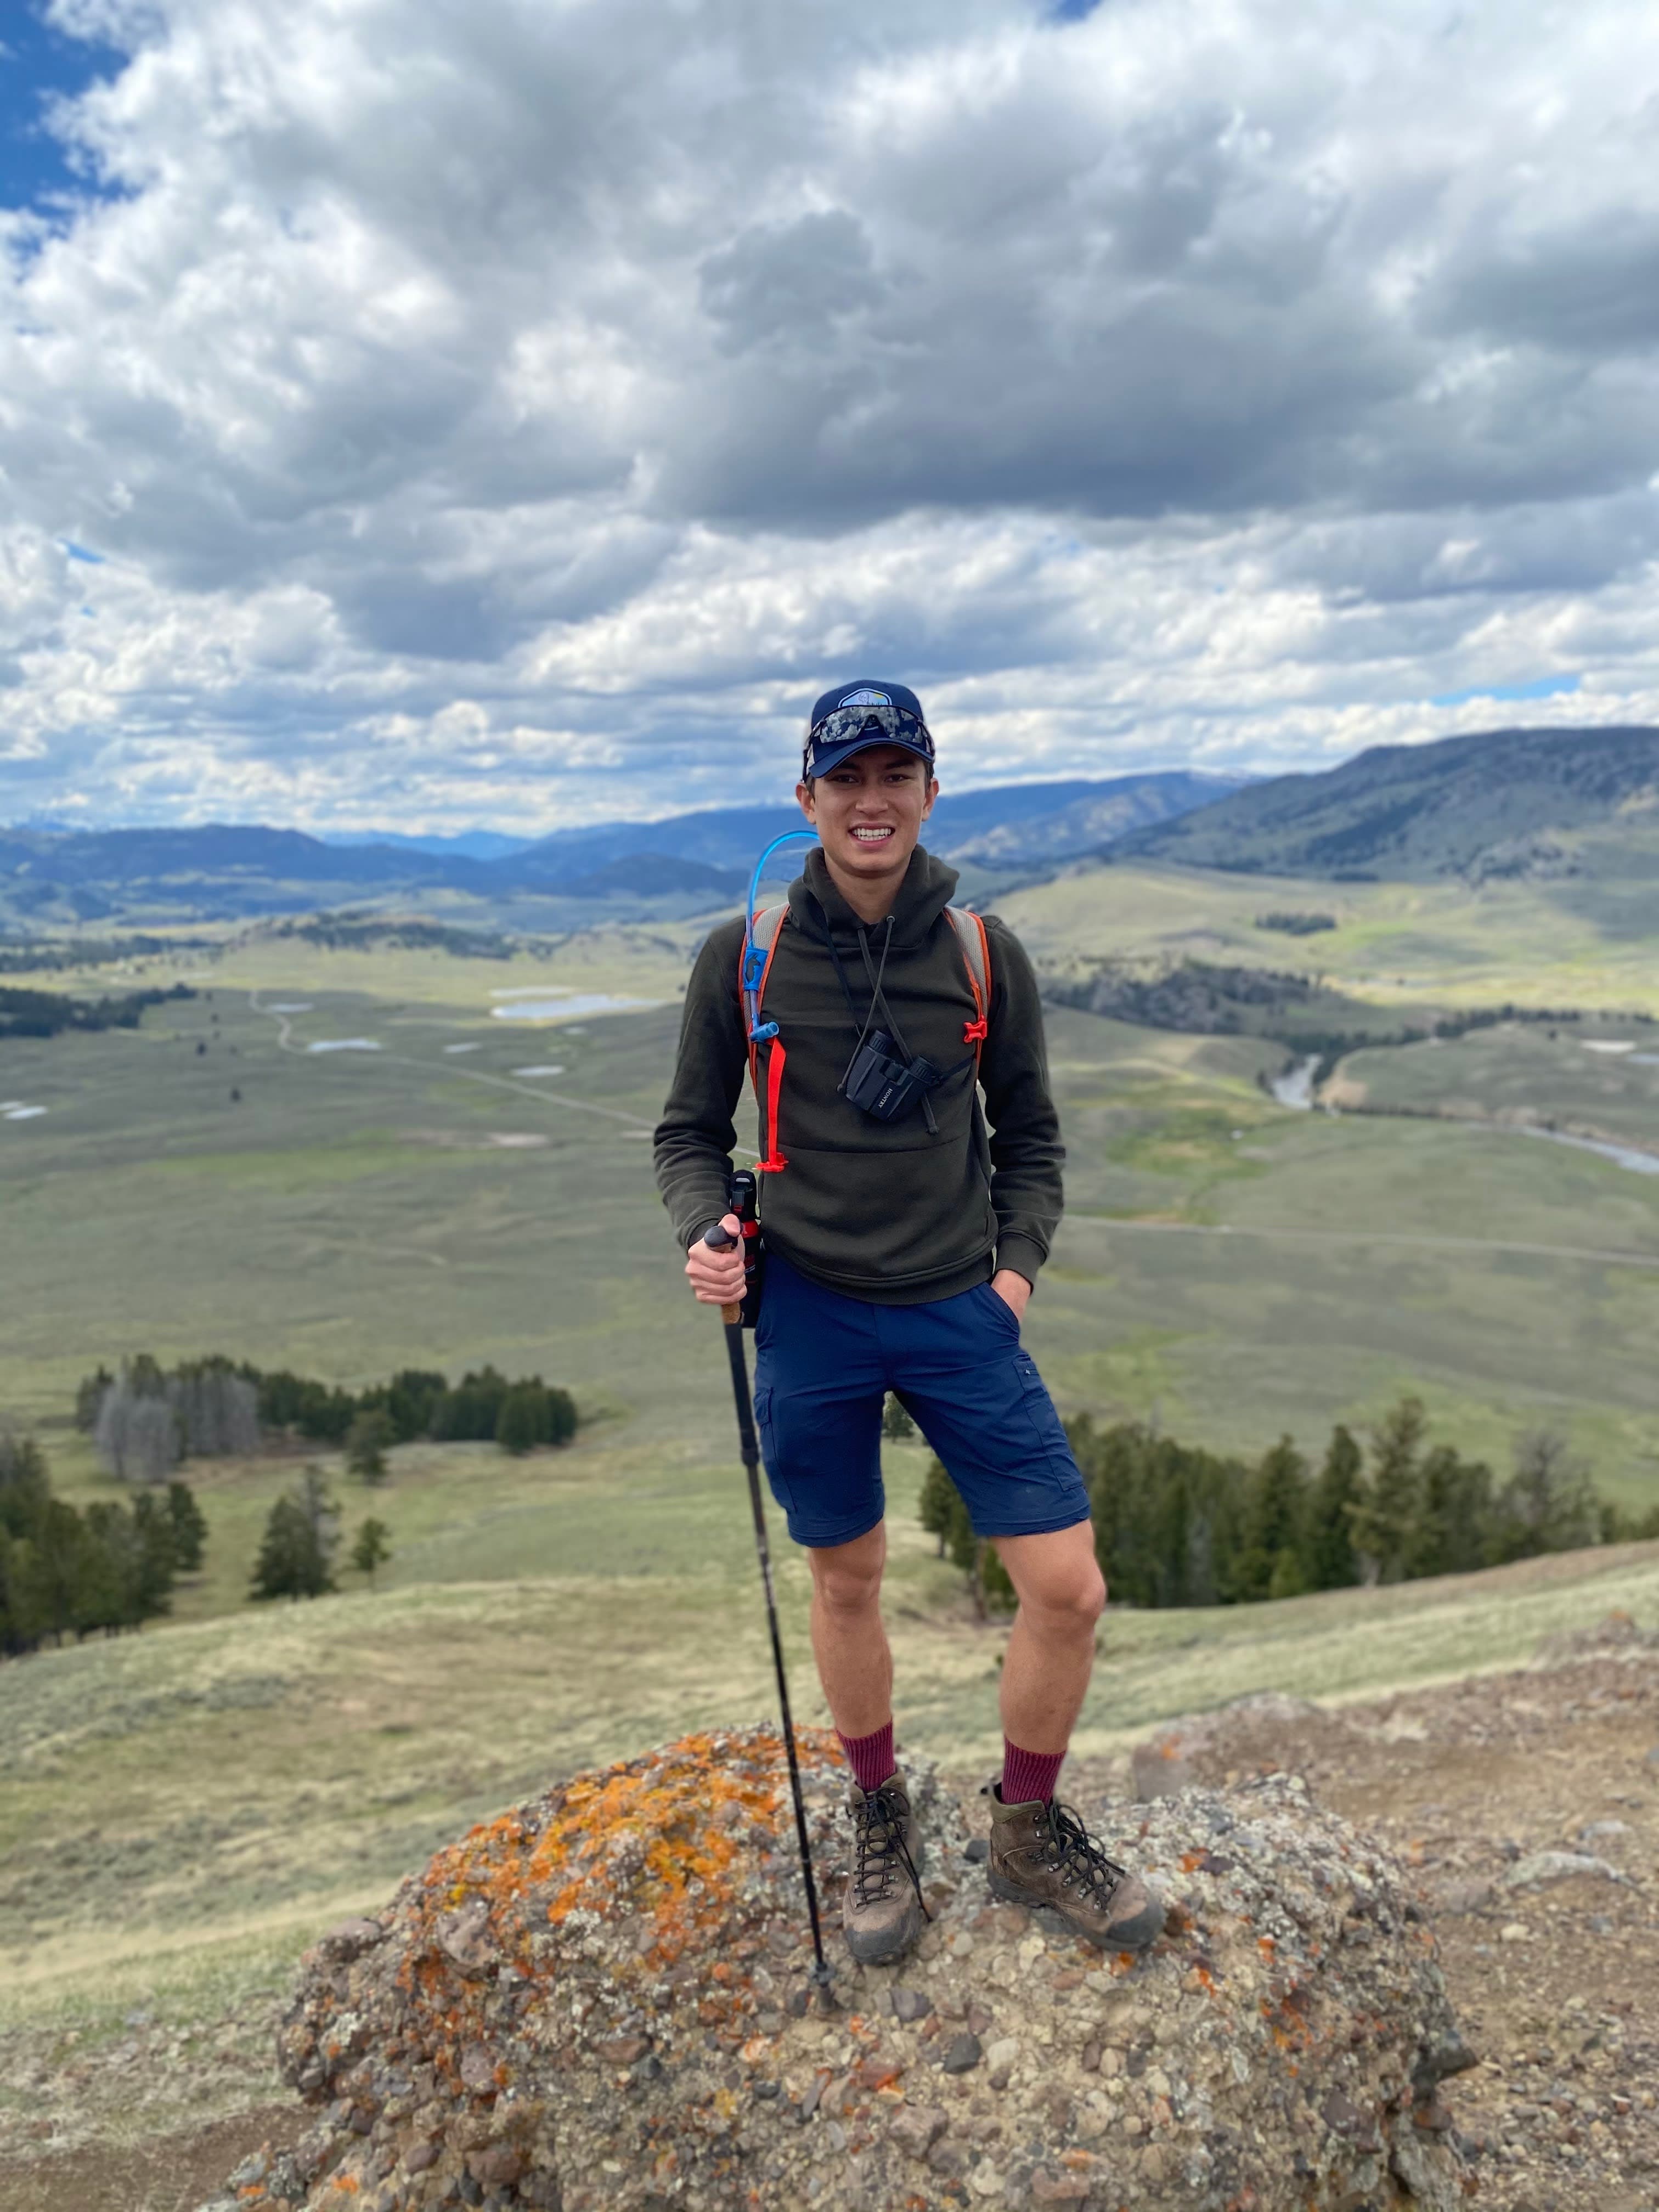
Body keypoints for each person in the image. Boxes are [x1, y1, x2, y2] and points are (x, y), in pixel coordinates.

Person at [653, 680, 1162, 1964]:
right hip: (811, 1310)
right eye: (847, 778)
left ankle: (1025, 1832)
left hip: (957, 1309)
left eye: (895, 776)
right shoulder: (745, 956)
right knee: (849, 1578)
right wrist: (709, 1230)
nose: (870, 801)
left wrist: (1012, 1280)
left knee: (1069, 1590)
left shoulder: (982, 954)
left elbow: (1032, 1138)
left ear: (932, 792)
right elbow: (687, 1134)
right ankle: (879, 1813)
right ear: (807, 796)